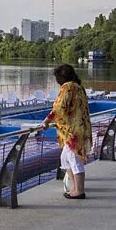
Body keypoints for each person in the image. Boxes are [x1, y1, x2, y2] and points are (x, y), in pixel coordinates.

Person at [41, 64, 92, 200]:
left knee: (74, 160)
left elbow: (59, 106)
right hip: (81, 128)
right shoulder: (79, 87)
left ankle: (79, 190)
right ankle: (74, 187)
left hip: (72, 131)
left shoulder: (68, 86)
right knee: (65, 159)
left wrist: (47, 120)